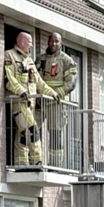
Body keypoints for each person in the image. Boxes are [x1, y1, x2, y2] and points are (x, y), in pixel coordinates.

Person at [4, 32, 54, 166]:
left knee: (23, 133)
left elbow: (39, 82)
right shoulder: (9, 55)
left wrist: (52, 93)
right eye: (29, 43)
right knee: (32, 129)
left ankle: (21, 162)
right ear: (21, 42)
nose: (31, 46)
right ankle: (37, 160)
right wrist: (20, 91)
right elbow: (8, 78)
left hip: (30, 104)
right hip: (19, 102)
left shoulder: (30, 61)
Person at [37, 32, 78, 168]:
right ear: (48, 42)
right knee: (33, 129)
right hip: (40, 101)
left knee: (55, 133)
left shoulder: (67, 61)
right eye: (51, 41)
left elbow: (70, 83)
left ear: (61, 43)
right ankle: (34, 160)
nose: (54, 44)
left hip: (57, 103)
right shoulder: (40, 59)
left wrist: (56, 94)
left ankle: (55, 165)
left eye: (57, 41)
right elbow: (34, 79)